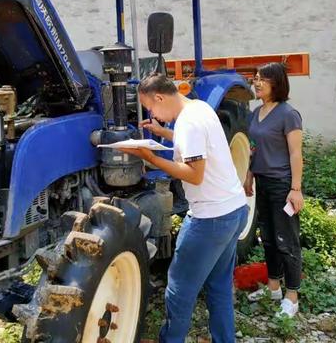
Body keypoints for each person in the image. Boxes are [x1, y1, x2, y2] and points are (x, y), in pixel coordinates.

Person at [119, 73, 248, 343]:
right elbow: (196, 142)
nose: (153, 113)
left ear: (159, 97)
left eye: (151, 107)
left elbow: (194, 174)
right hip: (235, 210)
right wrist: (162, 133)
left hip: (210, 220)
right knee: (219, 287)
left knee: (179, 290)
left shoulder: (189, 123)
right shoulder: (199, 108)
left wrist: (150, 157)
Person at [244, 62, 304, 318]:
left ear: (277, 83)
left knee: (286, 240)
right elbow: (253, 147)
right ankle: (273, 288)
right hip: (262, 183)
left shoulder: (288, 114)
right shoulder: (255, 113)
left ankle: (292, 296)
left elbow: (295, 153)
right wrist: (248, 174)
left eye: (263, 79)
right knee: (267, 237)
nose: (257, 83)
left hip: (283, 185)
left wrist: (296, 189)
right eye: (256, 78)